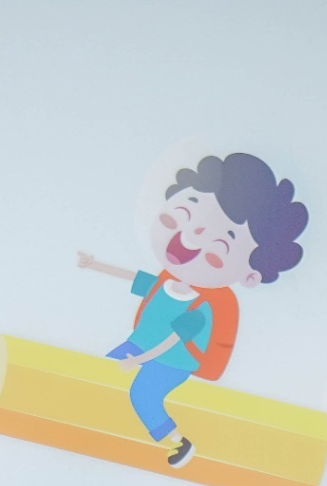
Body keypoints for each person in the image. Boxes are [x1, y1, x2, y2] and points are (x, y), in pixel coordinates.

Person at [76, 151, 308, 467]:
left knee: (143, 395)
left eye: (223, 243)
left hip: (171, 361)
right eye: (188, 214)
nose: (196, 236)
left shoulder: (204, 307)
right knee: (100, 373)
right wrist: (94, 265)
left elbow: (173, 340)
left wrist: (138, 361)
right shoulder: (165, 281)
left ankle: (178, 442)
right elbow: (136, 278)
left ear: (251, 274)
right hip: (140, 345)